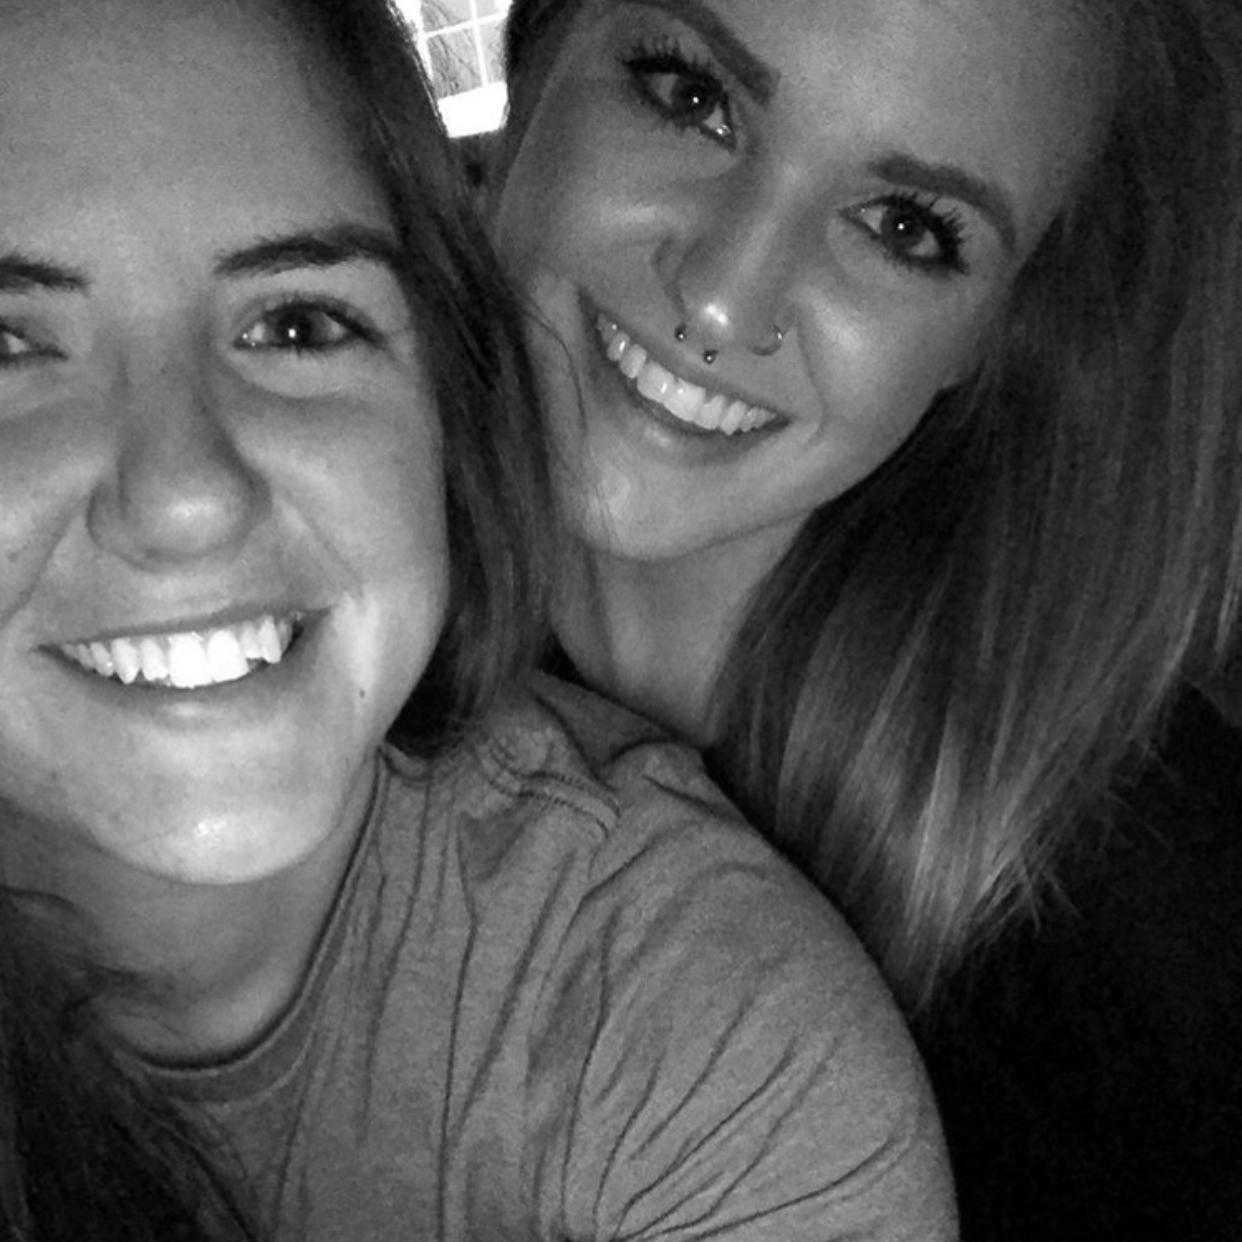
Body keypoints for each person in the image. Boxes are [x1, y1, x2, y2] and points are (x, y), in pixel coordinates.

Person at [0, 0, 956, 1238]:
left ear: (443, 399)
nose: (188, 496)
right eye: (8, 346)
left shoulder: (709, 1044)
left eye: (297, 325)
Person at [488, 0, 1242, 1236]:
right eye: (689, 95)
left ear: (997, 329)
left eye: (905, 228)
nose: (723, 299)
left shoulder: (1143, 936)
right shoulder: (303, 670)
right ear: (534, 64)